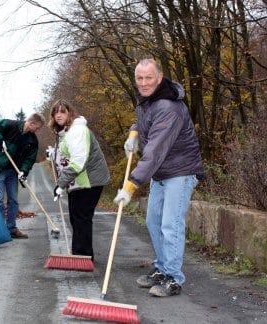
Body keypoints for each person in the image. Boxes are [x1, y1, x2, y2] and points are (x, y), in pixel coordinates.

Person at [114, 58, 204, 297]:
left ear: (160, 77)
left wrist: (130, 186)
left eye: (148, 78)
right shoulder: (148, 100)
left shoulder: (168, 107)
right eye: (139, 78)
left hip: (181, 172)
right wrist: (134, 133)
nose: (143, 83)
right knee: (153, 221)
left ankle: (173, 278)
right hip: (161, 173)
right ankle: (162, 268)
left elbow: (154, 151)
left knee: (170, 225)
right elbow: (143, 119)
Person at [48, 99, 110, 260]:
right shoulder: (65, 132)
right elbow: (66, 154)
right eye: (56, 112)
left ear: (70, 113)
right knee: (76, 217)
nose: (59, 115)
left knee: (82, 217)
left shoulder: (78, 131)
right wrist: (53, 154)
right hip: (78, 182)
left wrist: (61, 184)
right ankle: (79, 255)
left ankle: (83, 256)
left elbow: (78, 161)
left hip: (89, 180)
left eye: (63, 111)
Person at [0, 113, 45, 239]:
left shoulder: (32, 140)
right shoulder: (10, 125)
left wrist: (23, 171)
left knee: (13, 200)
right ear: (31, 123)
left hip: (13, 172)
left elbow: (29, 159)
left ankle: (11, 229)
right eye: (38, 127)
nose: (38, 131)